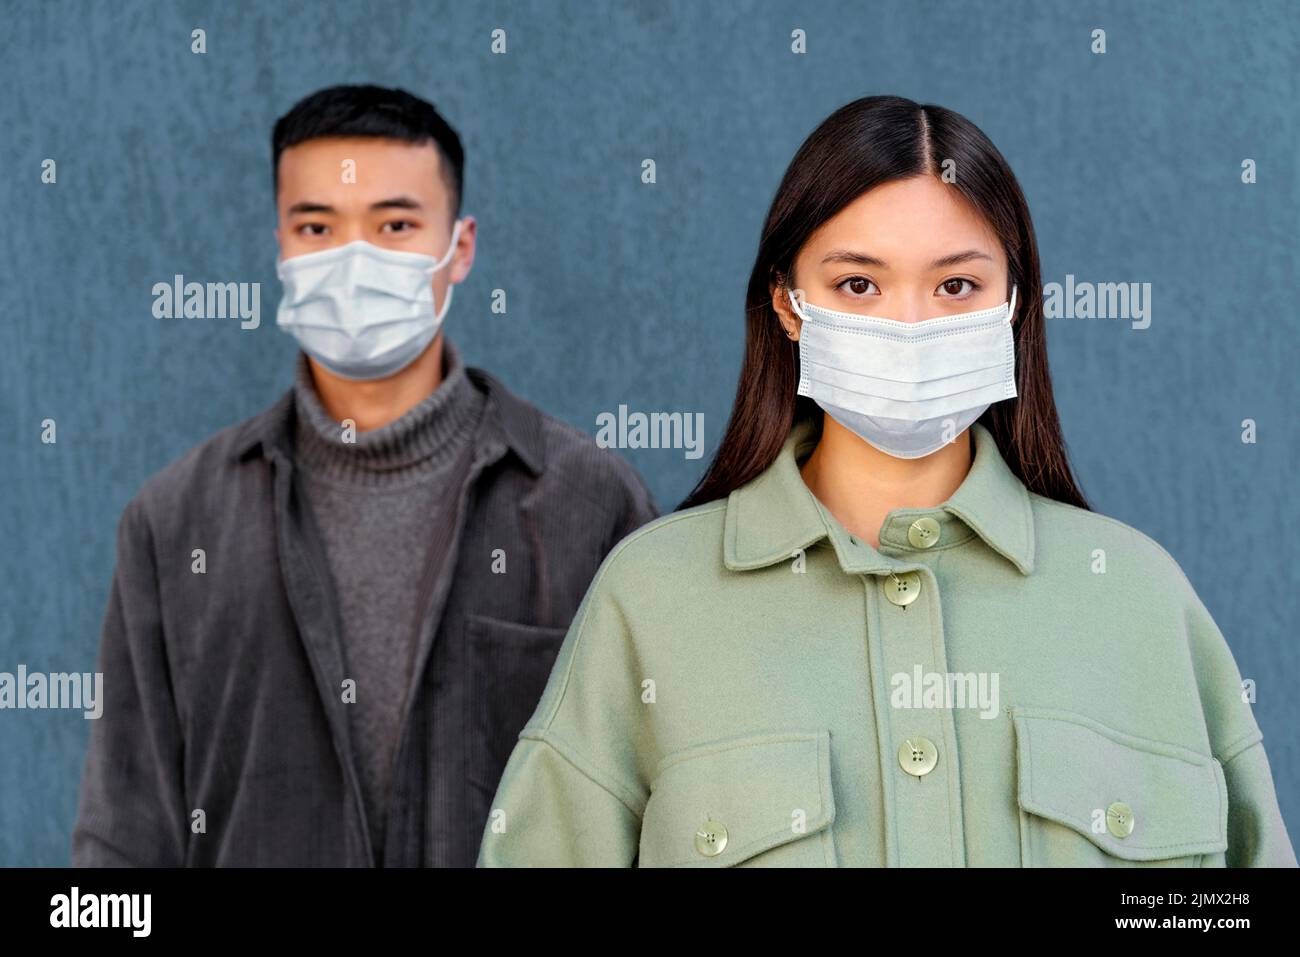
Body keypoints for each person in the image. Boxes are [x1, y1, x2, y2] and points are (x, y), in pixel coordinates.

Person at [477, 95, 1296, 867]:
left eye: (956, 285)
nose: (909, 325)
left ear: (1012, 304)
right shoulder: (650, 599)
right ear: (788, 304)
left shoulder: (1138, 597)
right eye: (858, 284)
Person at [71, 84, 658, 867]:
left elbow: (657, 804)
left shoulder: (593, 504)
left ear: (462, 246)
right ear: (279, 243)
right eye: (317, 226)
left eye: (395, 225)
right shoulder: (174, 523)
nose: (355, 260)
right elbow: (123, 842)